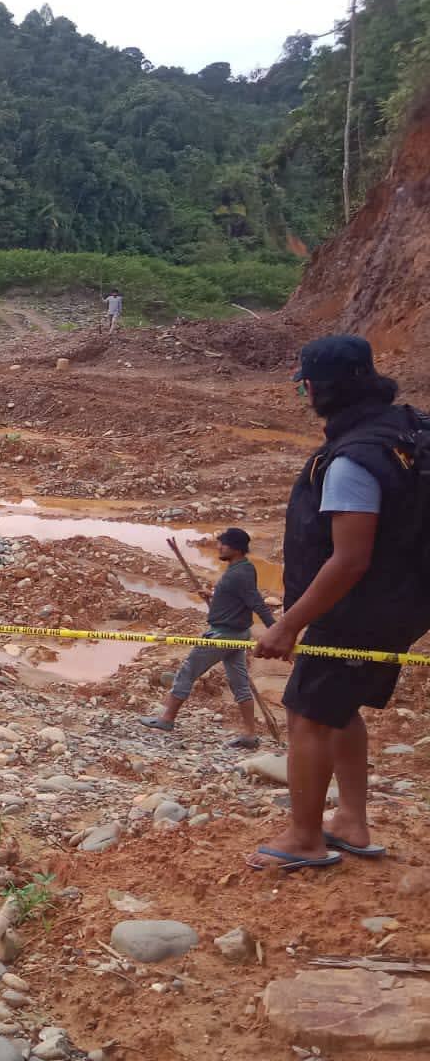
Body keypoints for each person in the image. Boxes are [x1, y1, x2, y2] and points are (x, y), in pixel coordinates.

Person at [250, 335, 429, 871]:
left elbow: (349, 560)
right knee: (339, 706)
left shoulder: (353, 459)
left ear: (313, 387)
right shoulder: (410, 430)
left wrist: (288, 625)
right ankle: (351, 821)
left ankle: (305, 838)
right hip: (405, 602)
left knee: (307, 713)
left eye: (302, 382)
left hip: (356, 607)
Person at [140, 527, 274, 748]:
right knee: (240, 684)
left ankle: (166, 719)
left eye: (223, 543)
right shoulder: (239, 568)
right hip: (237, 634)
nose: (219, 547)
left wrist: (276, 631)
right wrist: (213, 595)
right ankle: (250, 735)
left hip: (223, 634)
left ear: (237, 548)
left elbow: (256, 603)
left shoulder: (241, 572)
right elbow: (237, 596)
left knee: (188, 669)